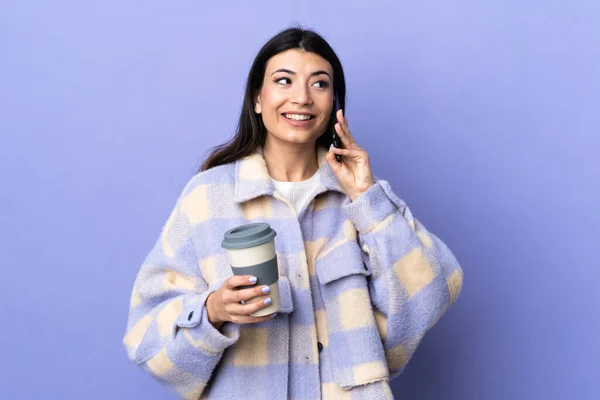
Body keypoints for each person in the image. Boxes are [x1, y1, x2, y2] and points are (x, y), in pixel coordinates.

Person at [122, 26, 463, 400]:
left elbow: (429, 295)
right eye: (284, 81)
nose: (301, 97)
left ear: (334, 103)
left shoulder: (360, 198)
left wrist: (368, 198)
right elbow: (146, 339)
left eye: (319, 84)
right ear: (257, 99)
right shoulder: (207, 197)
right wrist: (213, 310)